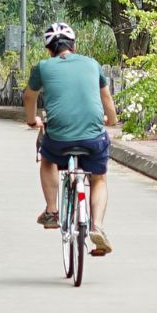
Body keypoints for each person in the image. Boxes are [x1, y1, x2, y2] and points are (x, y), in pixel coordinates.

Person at [24, 22, 120, 255]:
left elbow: (29, 96)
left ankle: (52, 210)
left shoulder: (43, 67)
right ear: (73, 46)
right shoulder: (92, 64)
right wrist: (112, 120)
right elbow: (106, 98)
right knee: (98, 179)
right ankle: (96, 225)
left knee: (46, 158)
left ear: (49, 48)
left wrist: (31, 120)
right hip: (93, 138)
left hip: (58, 137)